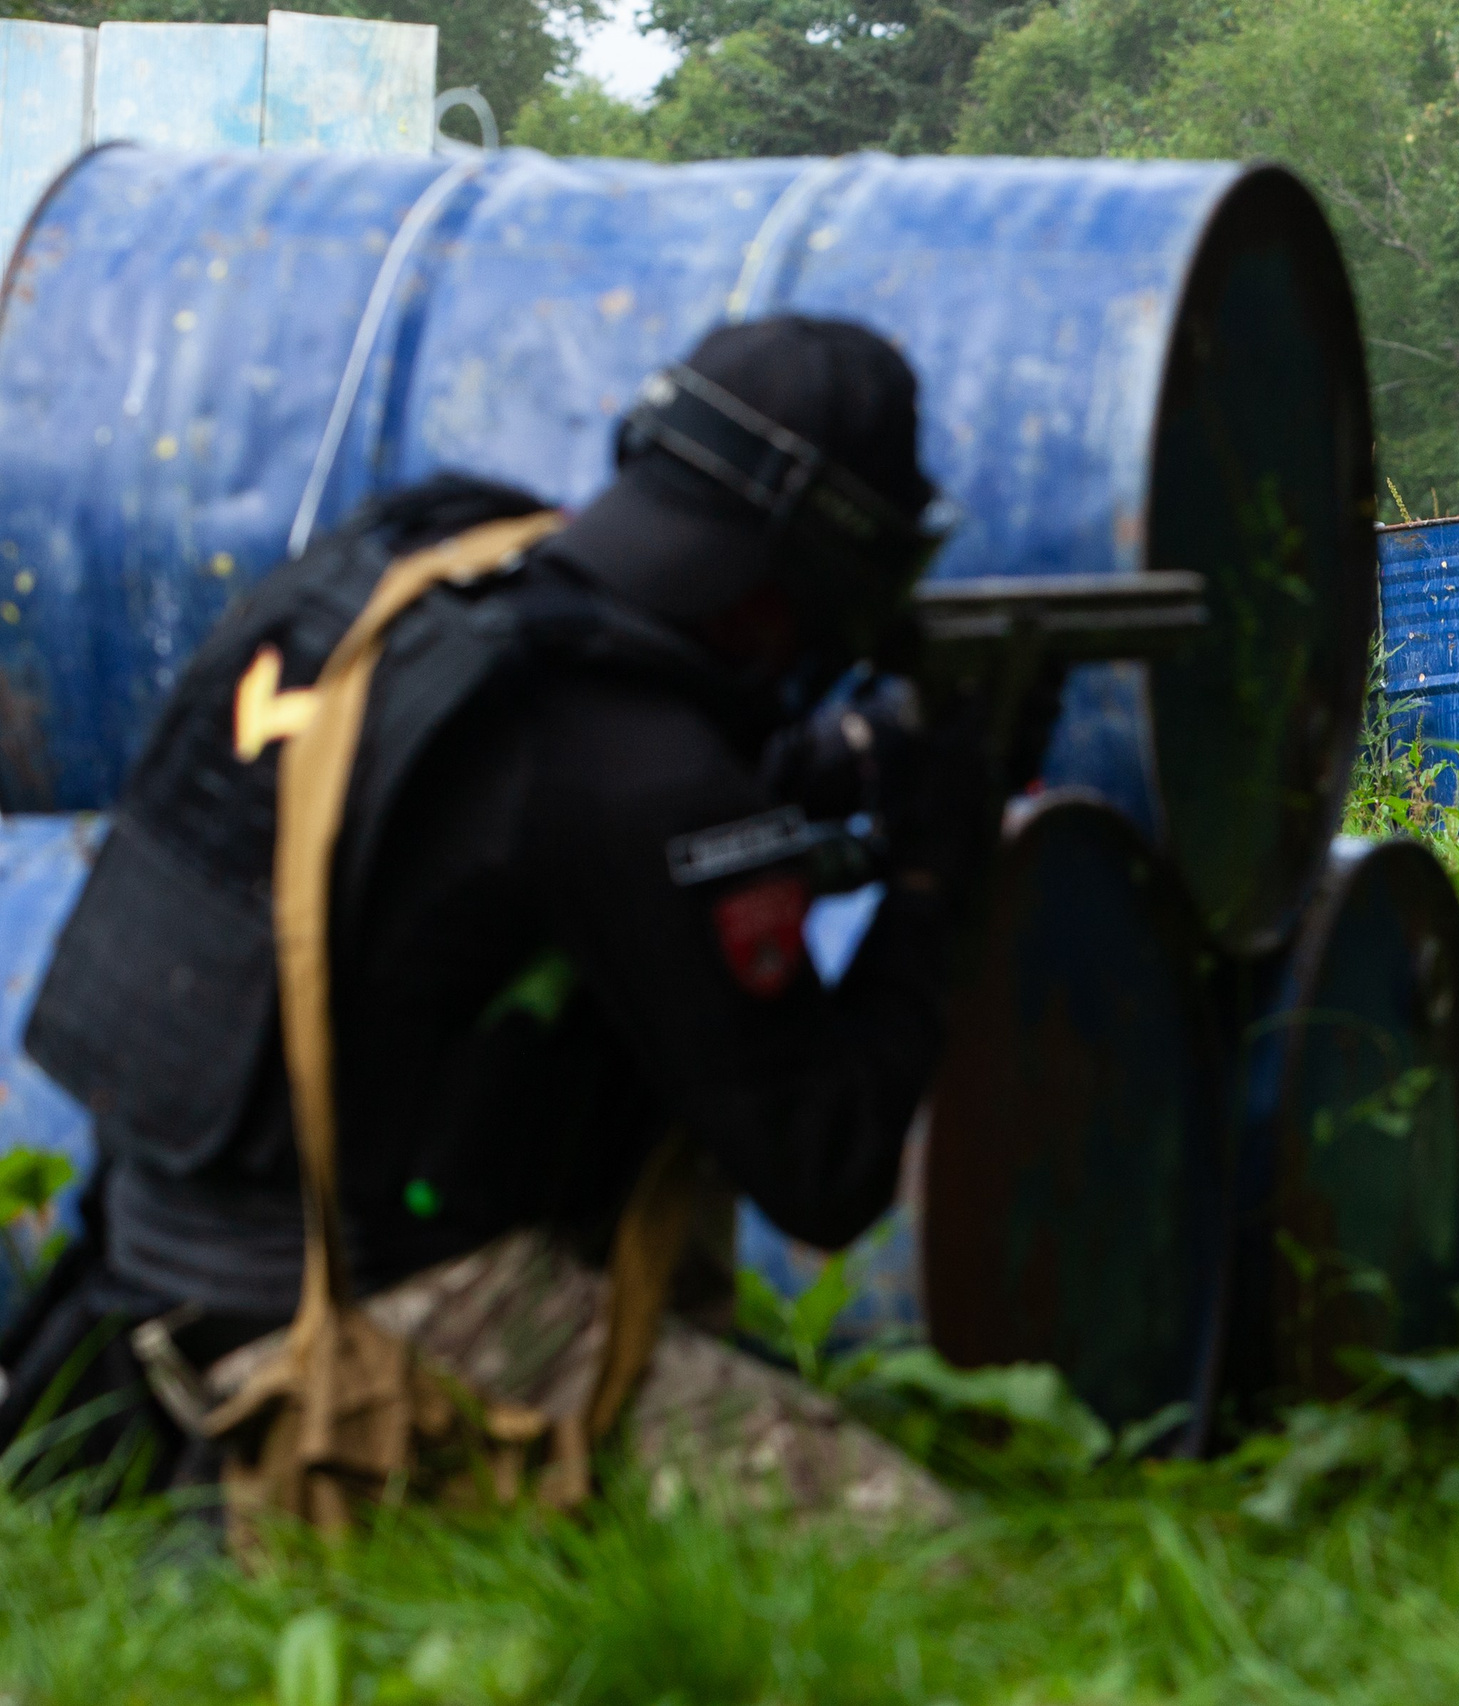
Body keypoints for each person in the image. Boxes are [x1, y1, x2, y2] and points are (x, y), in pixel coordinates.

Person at [0, 315, 1013, 1507]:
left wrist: (813, 767)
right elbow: (825, 1166)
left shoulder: (419, 578)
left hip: (148, 1260)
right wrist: (933, 884)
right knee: (929, 1566)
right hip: (362, 1316)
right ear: (815, 572)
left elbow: (524, 833)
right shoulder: (634, 765)